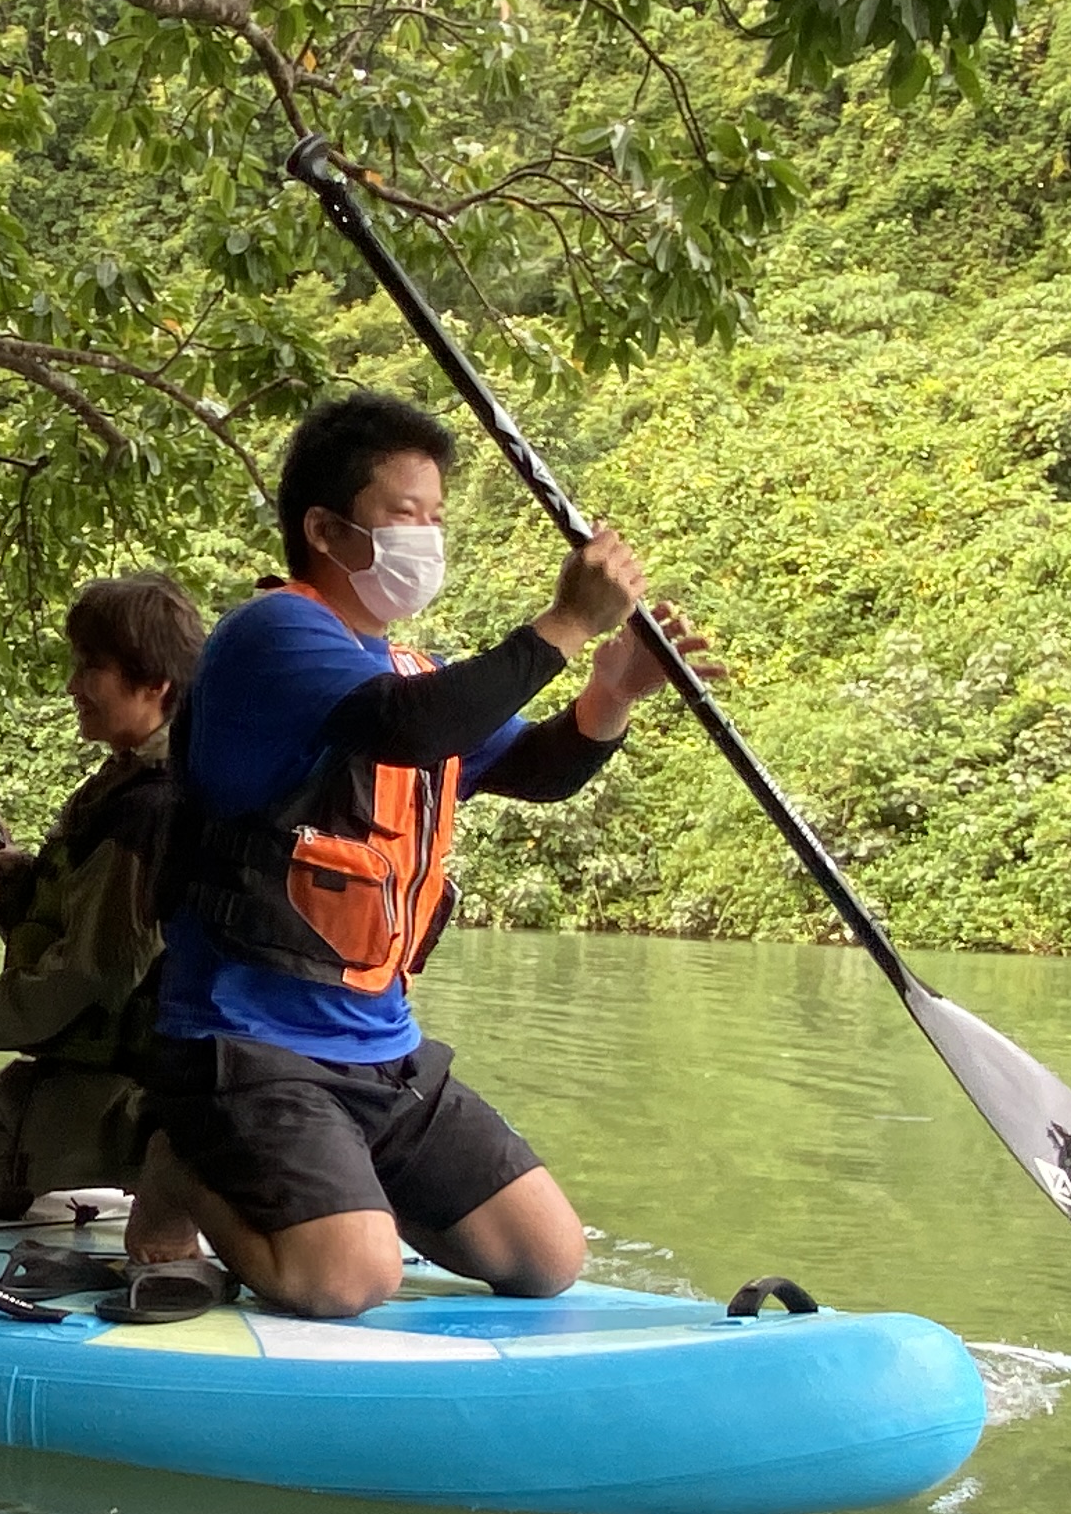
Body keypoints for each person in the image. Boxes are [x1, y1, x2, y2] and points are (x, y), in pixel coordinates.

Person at [130, 390, 707, 1320]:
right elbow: (409, 730)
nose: (428, 535)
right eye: (406, 514)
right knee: (347, 1281)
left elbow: (534, 767)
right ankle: (184, 1167)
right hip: (248, 1049)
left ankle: (338, 1187)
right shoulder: (273, 636)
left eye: (437, 517)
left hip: (382, 1052)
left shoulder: (408, 669)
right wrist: (565, 624)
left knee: (545, 1259)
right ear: (326, 527)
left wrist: (614, 690)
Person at [0, 571, 202, 1219]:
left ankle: (162, 1154)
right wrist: (15, 881)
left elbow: (93, 974)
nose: (73, 687)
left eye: (91, 669)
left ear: (155, 684)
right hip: (97, 1064)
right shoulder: (128, 783)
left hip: (129, 1081)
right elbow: (78, 928)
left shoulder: (150, 807)